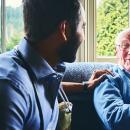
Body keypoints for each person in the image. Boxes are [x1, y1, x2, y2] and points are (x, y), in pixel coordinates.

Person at [0, 0, 107, 129]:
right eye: (82, 27)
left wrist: (84, 86)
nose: (83, 36)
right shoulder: (10, 88)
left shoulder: (37, 70)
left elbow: (38, 85)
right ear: (65, 30)